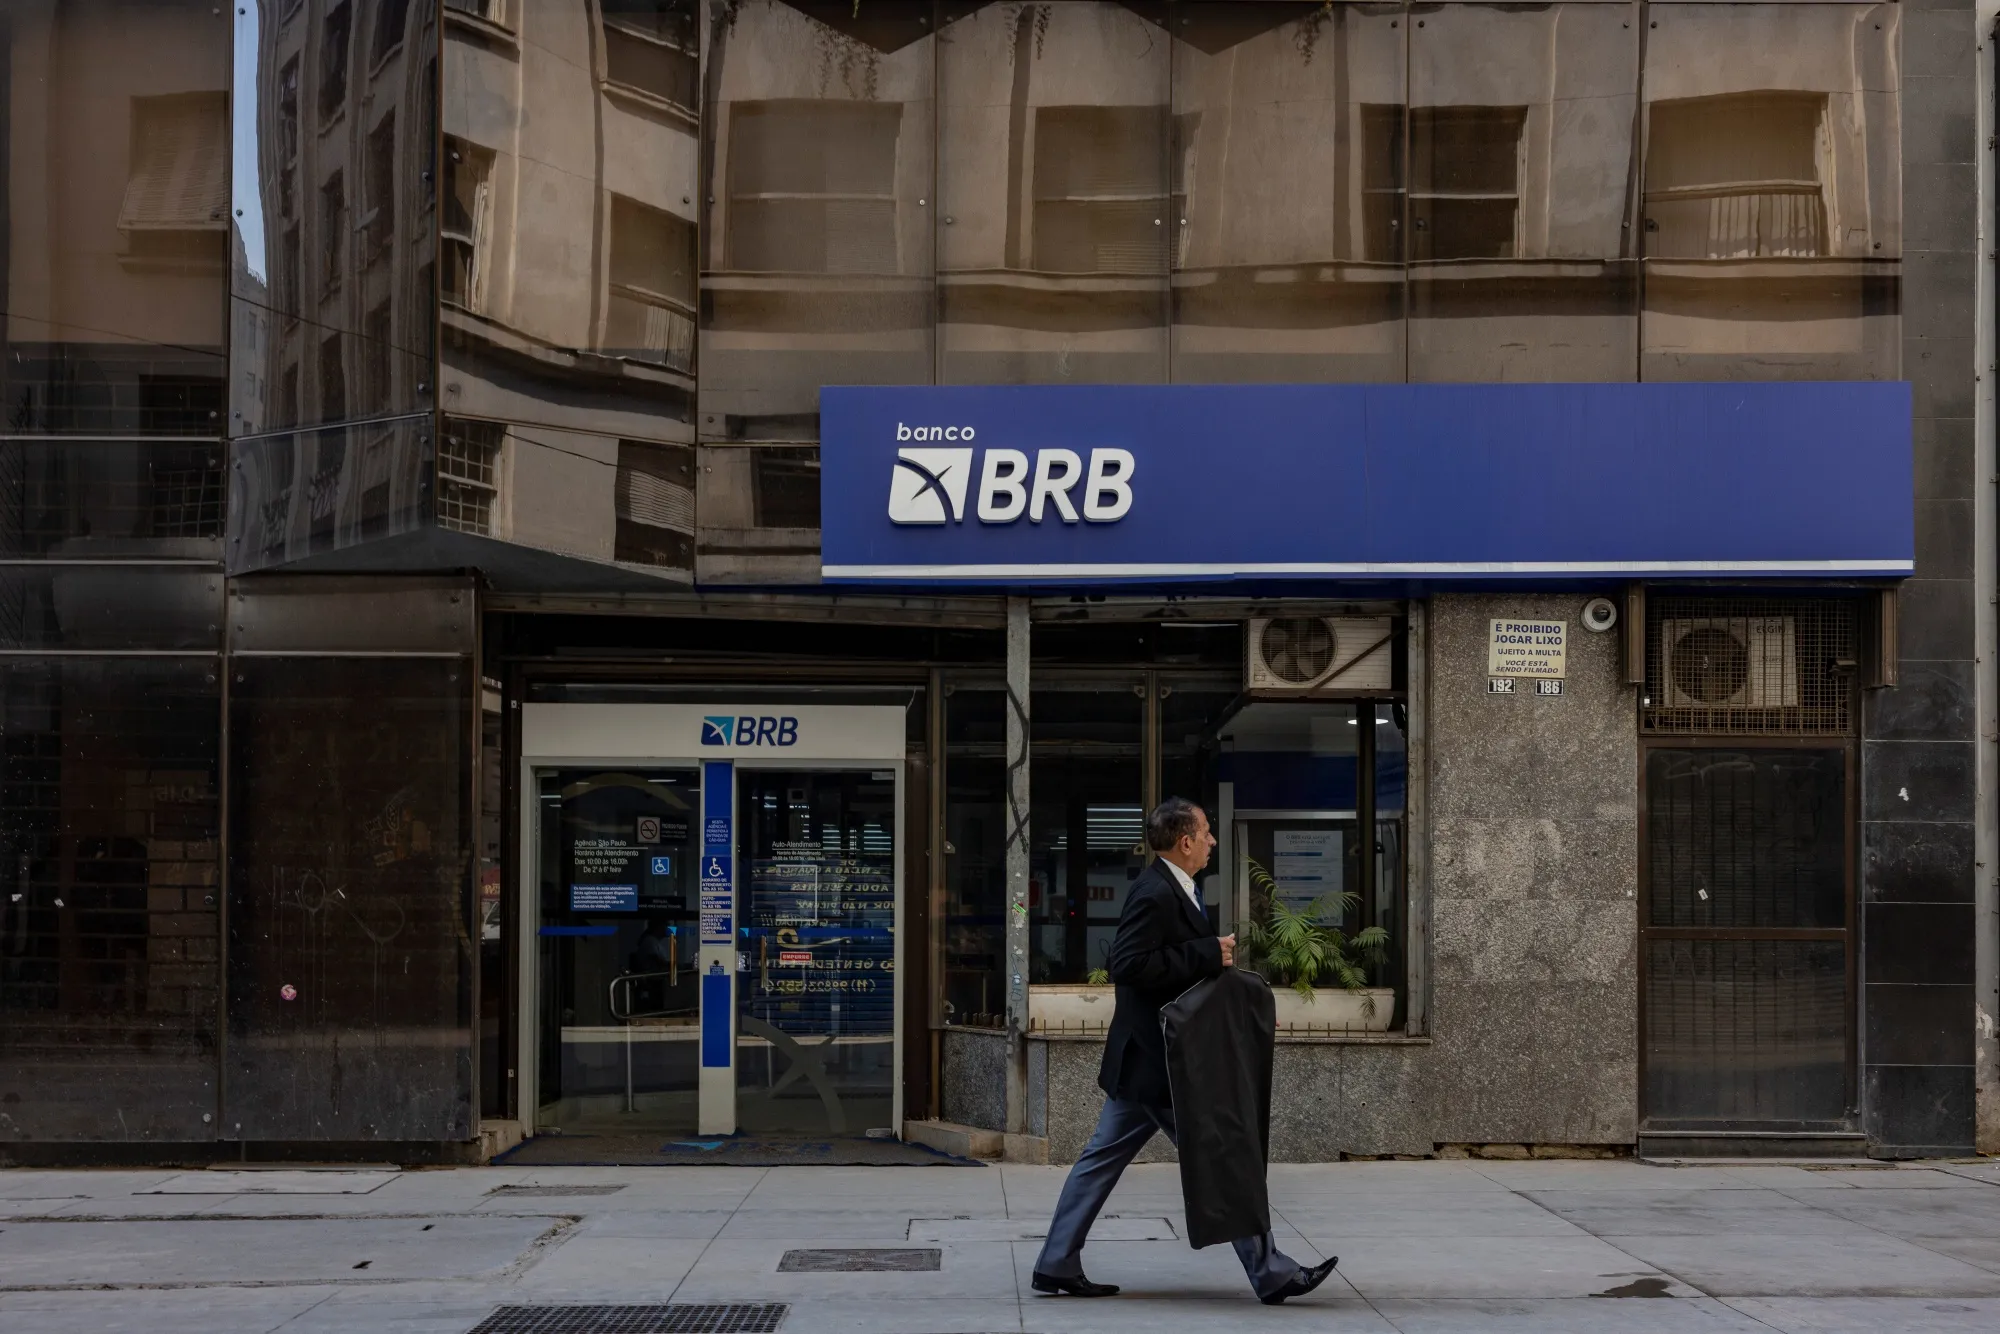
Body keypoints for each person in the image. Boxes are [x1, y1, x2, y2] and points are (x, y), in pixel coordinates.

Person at [1031, 797, 1340, 1306]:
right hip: (1160, 1063)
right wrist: (1206, 952)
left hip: (1152, 1061)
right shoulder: (1154, 892)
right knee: (1222, 1153)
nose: (1213, 841)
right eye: (1207, 832)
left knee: (1103, 1159)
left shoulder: (1176, 888)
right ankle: (1270, 1271)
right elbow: (1128, 965)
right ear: (1186, 841)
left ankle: (1056, 1260)